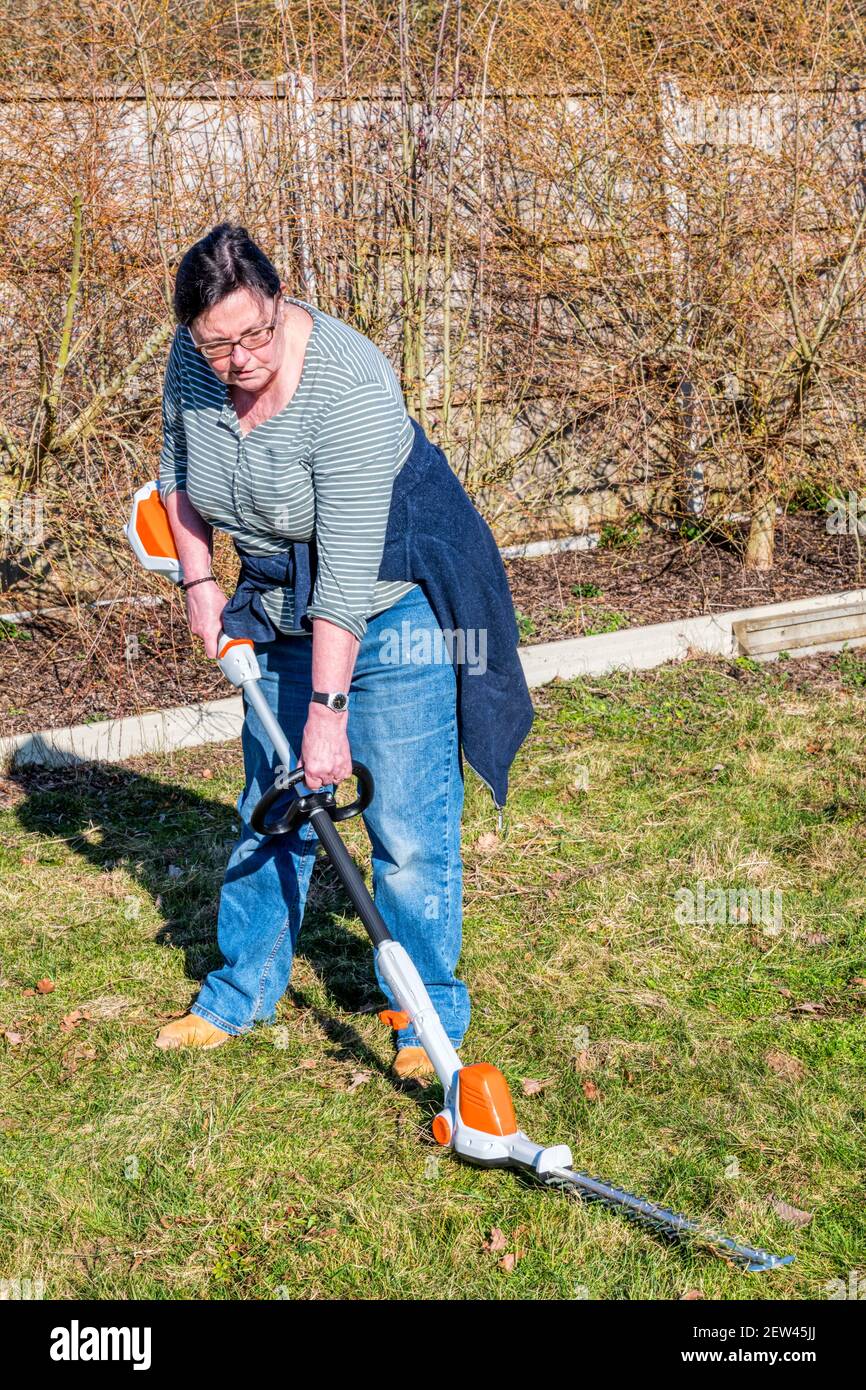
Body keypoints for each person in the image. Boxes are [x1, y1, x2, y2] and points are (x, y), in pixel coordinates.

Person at [152, 221, 533, 1077]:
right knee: (272, 803)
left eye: (255, 333)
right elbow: (175, 471)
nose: (241, 358)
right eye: (219, 345)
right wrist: (200, 582)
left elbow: (349, 570)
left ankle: (424, 1017)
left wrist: (329, 714)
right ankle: (239, 992)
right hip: (278, 600)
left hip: (388, 603)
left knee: (406, 823)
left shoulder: (350, 383)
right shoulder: (191, 363)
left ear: (280, 304)